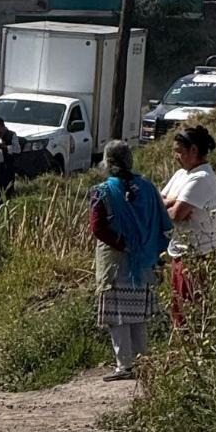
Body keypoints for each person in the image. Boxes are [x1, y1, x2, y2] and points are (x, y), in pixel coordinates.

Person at [90, 140, 172, 381]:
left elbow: (98, 228)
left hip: (115, 261)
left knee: (118, 315)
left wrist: (123, 244)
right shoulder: (147, 188)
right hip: (145, 260)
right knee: (138, 316)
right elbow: (163, 223)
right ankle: (142, 360)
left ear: (108, 162)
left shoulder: (103, 191)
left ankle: (124, 365)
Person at [160, 125, 216, 328]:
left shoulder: (202, 178)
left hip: (196, 253)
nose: (176, 156)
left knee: (189, 310)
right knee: (177, 306)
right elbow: (160, 202)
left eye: (180, 151)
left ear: (194, 150)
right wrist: (175, 202)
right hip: (181, 250)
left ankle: (189, 351)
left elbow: (176, 214)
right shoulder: (181, 175)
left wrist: (174, 205)